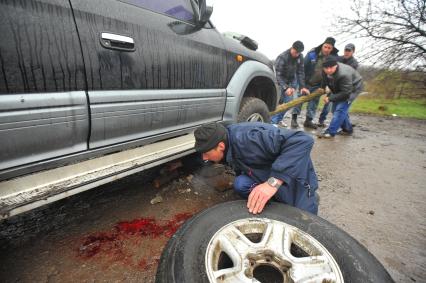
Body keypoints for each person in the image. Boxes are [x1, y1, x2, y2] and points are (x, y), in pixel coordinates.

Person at [194, 122, 319, 214]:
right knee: (240, 184)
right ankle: (274, 201)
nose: (204, 157)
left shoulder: (250, 138)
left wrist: (272, 184)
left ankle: (310, 198)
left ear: (220, 146)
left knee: (303, 220)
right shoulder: (226, 139)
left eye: (206, 152)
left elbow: (303, 139)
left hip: (295, 179)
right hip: (267, 171)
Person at [291, 37, 339, 129]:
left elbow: (334, 73)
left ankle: (308, 121)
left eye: (329, 48)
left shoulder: (334, 58)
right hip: (307, 82)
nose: (327, 49)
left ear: (332, 49)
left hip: (319, 85)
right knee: (299, 100)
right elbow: (301, 69)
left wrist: (328, 86)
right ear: (322, 45)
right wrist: (302, 85)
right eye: (325, 47)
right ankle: (294, 119)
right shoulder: (312, 54)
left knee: (314, 102)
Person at [317, 56, 363, 138]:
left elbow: (346, 93)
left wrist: (330, 98)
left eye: (331, 68)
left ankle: (330, 132)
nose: (328, 70)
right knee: (335, 110)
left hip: (352, 89)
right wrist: (322, 88)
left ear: (336, 65)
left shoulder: (344, 74)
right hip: (340, 88)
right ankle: (348, 129)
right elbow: (325, 79)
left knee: (340, 110)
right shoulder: (325, 71)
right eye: (326, 68)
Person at [317, 43, 359, 127]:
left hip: (346, 89)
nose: (346, 52)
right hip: (334, 87)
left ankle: (347, 127)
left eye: (349, 51)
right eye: (345, 50)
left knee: (339, 109)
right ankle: (322, 120)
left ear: (353, 51)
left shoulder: (354, 63)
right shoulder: (339, 59)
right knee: (333, 107)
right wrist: (324, 86)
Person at [271, 41, 310, 127]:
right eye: (295, 52)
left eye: (299, 53)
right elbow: (277, 75)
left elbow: (300, 72)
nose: (297, 55)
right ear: (292, 48)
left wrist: (302, 86)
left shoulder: (300, 57)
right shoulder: (283, 57)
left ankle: (279, 119)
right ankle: (273, 122)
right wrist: (285, 87)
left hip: (291, 81)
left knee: (289, 102)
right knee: (279, 102)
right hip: (279, 82)